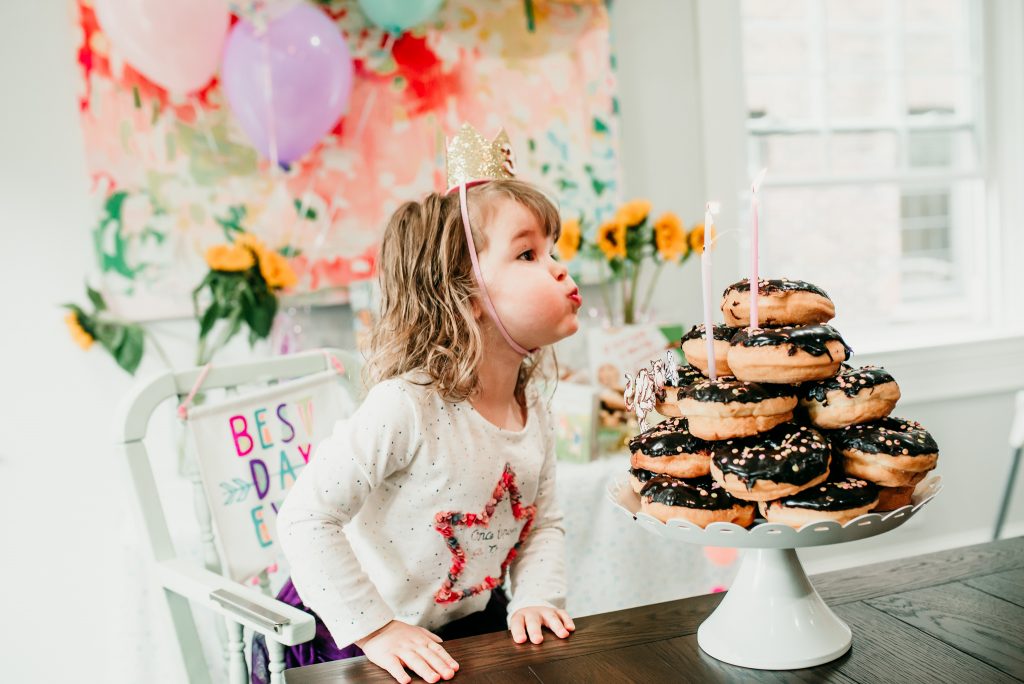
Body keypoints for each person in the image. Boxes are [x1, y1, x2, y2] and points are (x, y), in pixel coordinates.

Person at [269, 126, 582, 683]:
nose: (560, 268)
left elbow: (542, 523)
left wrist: (534, 597)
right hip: (349, 639)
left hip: (461, 631)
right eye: (529, 253)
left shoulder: (530, 403)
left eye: (554, 251)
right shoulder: (407, 406)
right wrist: (375, 628)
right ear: (464, 294)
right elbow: (306, 517)